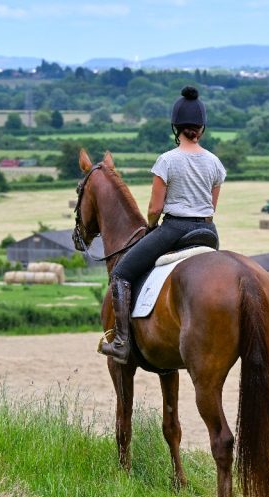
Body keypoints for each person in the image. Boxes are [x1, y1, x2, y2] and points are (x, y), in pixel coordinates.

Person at [99, 85, 227, 364]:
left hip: (174, 230)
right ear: (202, 128)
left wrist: (152, 226)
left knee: (121, 274)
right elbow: (211, 206)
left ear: (175, 128)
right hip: (207, 233)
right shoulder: (215, 163)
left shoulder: (167, 160)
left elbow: (155, 207)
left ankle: (121, 342)